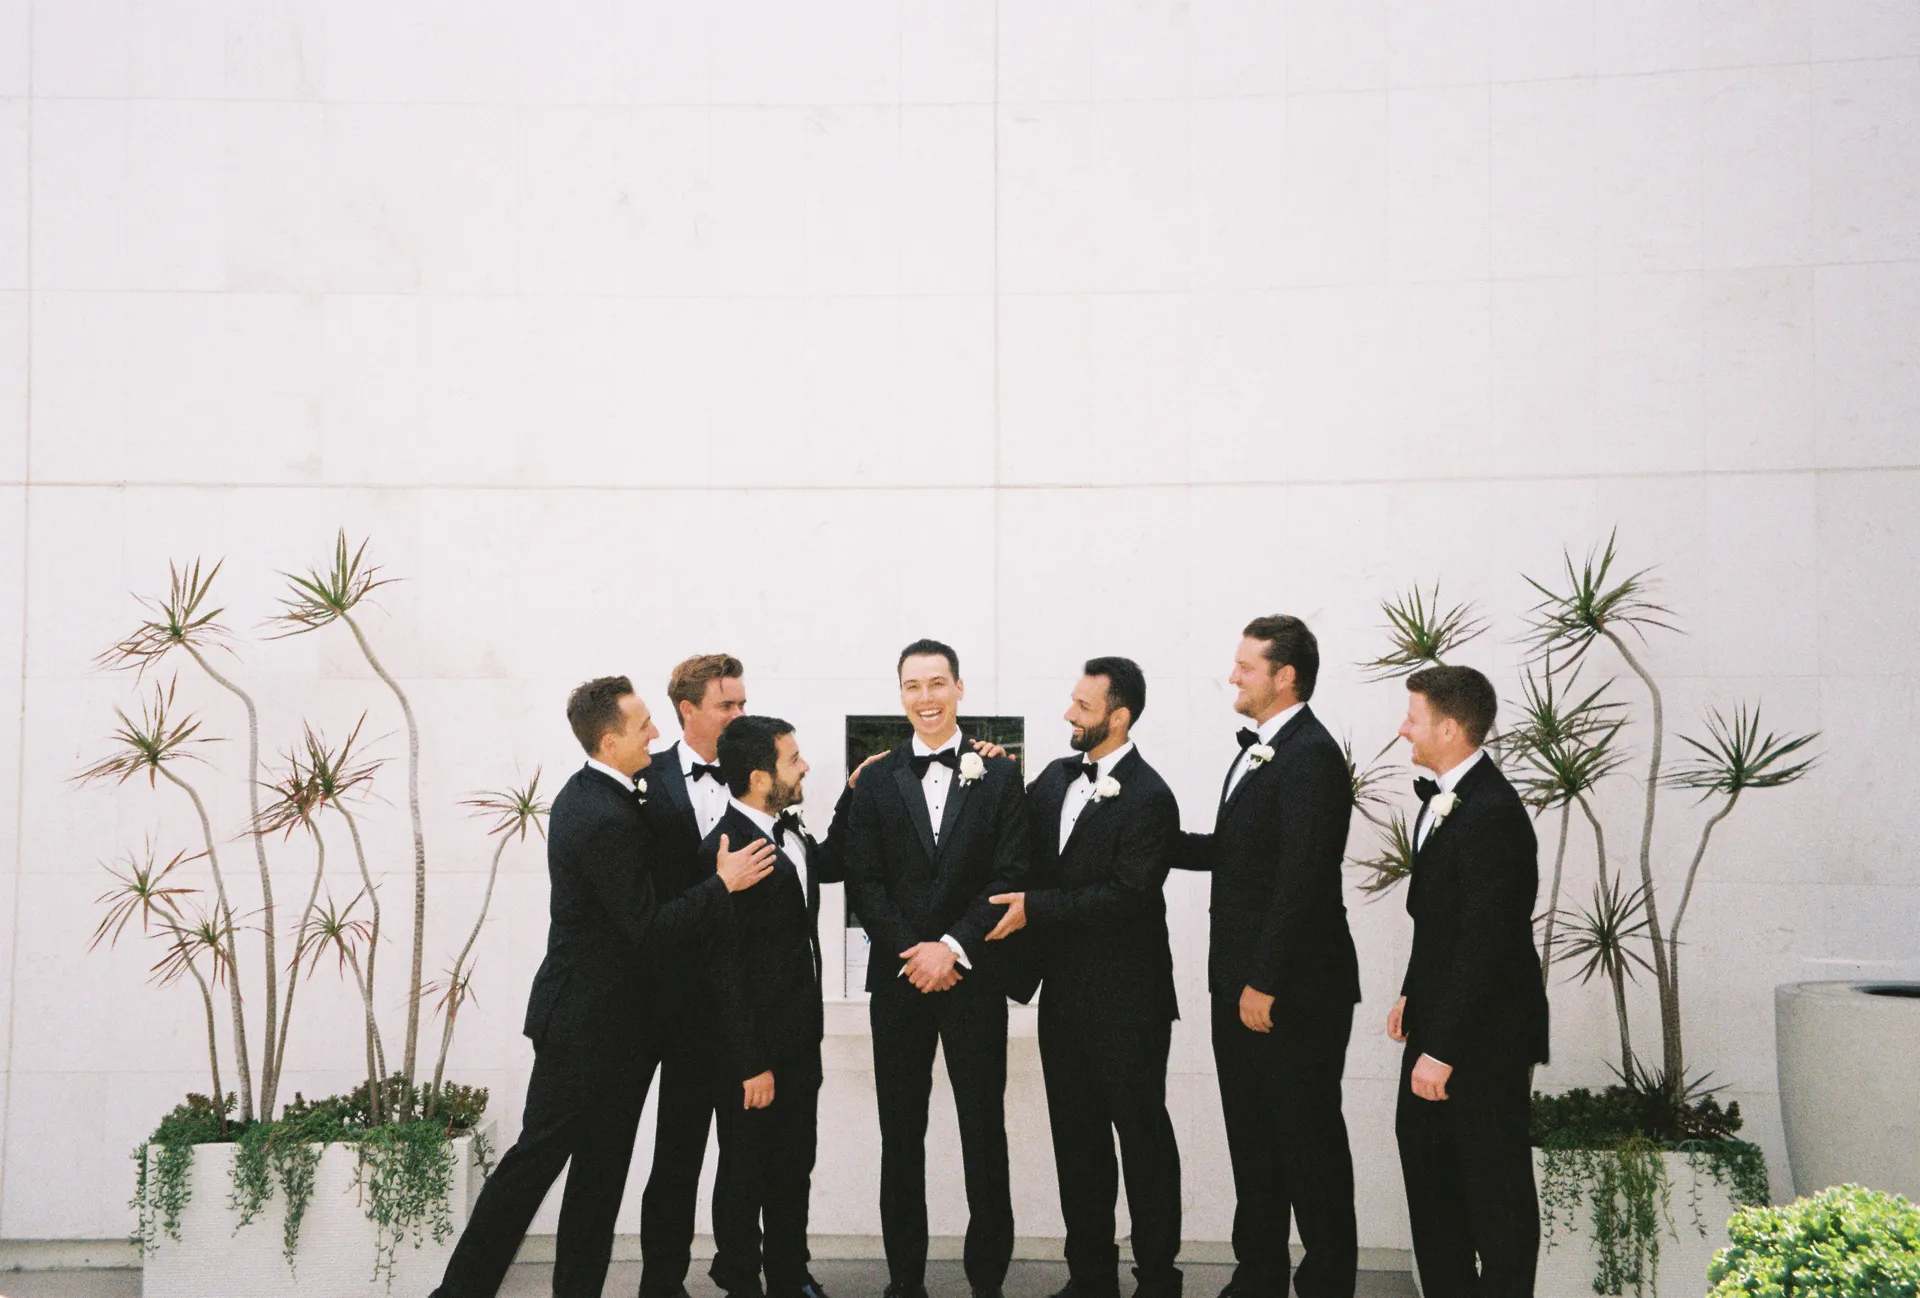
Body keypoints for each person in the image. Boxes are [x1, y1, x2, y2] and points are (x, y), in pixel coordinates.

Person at [429, 676, 774, 1298]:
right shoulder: (599, 814)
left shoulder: (612, 795)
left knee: (600, 1178)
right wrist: (723, 885)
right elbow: (647, 929)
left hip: (624, 1030)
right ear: (610, 741)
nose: (657, 734)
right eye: (644, 726)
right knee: (533, 1166)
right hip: (583, 1025)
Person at [1171, 616, 1360, 1298]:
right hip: (1242, 986)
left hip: (1291, 993)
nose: (1233, 676)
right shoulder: (1261, 752)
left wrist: (1263, 981)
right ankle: (1258, 1277)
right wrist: (1146, 832)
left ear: (1286, 677)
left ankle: (1326, 1284)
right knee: (1254, 1142)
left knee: (1308, 1147)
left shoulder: (1311, 757)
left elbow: (1299, 881)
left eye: (1246, 666)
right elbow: (1235, 854)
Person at [985, 657, 1183, 1298]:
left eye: (1083, 706)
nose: (1068, 714)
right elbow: (1010, 830)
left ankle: (1158, 1280)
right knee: (1077, 1143)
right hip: (1063, 997)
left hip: (1131, 1001)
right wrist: (991, 765)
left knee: (1143, 1141)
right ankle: (1090, 1278)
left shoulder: (1151, 797)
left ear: (1118, 717)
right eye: (1072, 701)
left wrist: (1035, 909)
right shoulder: (1053, 777)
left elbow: (1128, 894)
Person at [843, 638, 1031, 1298]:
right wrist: (915, 952)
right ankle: (905, 1283)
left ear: (959, 689)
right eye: (912, 685)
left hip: (972, 978)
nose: (925, 697)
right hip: (899, 982)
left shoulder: (1000, 776)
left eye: (936, 683)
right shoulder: (875, 780)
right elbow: (864, 881)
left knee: (984, 1131)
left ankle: (988, 1283)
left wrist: (950, 946)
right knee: (901, 1135)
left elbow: (1011, 872)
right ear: (900, 694)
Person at [1388, 665, 1550, 1298]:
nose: (1403, 729)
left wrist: (1443, 1050)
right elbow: (1440, 921)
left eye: (1414, 718)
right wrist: (1411, 990)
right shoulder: (1449, 798)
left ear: (1450, 728)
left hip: (1482, 1038)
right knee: (1430, 1176)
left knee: (1493, 1193)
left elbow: (1486, 944)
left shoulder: (1493, 813)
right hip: (1441, 1020)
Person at [700, 715, 841, 1298]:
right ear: (760, 778)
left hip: (800, 1041)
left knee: (793, 1167)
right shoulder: (725, 851)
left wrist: (855, 792)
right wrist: (750, 1062)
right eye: (793, 759)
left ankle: (789, 1275)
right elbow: (723, 970)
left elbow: (828, 865)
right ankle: (739, 1279)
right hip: (753, 1053)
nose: (804, 766)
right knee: (745, 1172)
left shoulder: (793, 834)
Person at [637, 653, 750, 1298]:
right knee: (675, 1156)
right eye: (725, 705)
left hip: (746, 1001)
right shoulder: (643, 779)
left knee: (745, 1154)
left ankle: (740, 1274)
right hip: (673, 1004)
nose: (739, 714)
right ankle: (661, 1283)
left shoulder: (757, 771)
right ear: (687, 710)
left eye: (742, 703)